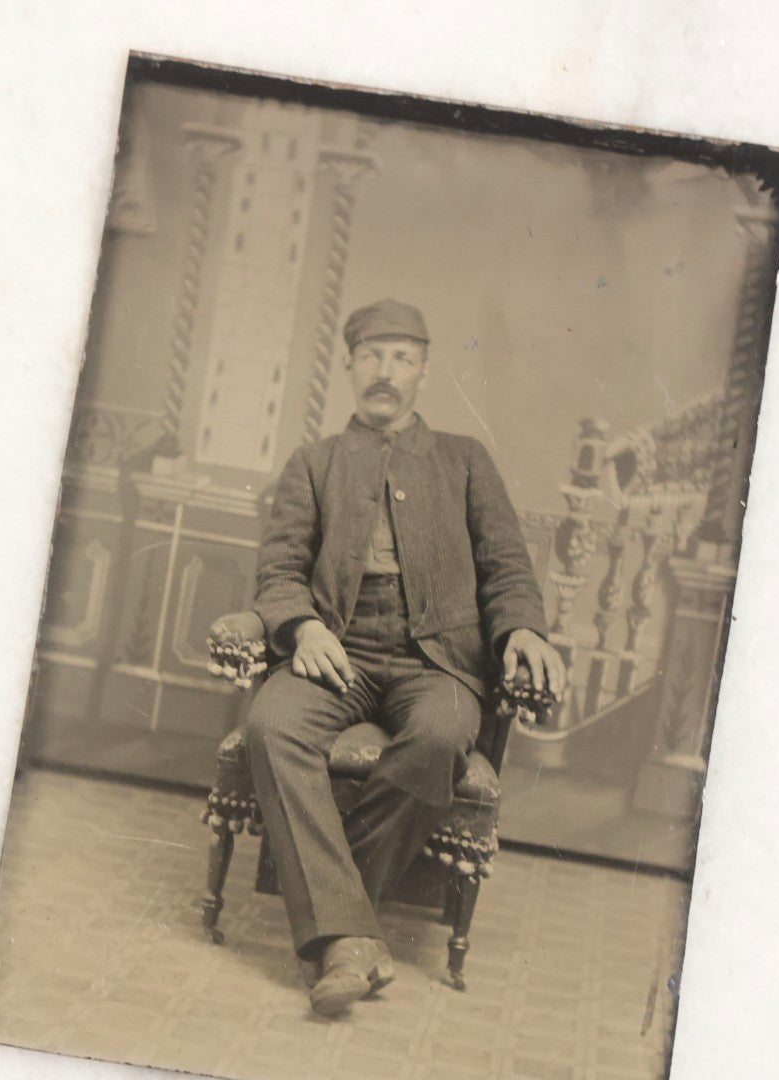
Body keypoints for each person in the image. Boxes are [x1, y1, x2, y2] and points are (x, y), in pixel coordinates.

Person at [246, 298, 565, 1016]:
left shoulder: (463, 459)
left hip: (437, 660)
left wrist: (521, 631)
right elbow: (278, 571)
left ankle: (340, 935)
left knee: (443, 735)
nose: (383, 372)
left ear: (422, 370)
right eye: (370, 356)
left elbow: (507, 564)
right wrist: (300, 628)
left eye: (400, 357)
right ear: (350, 366)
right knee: (272, 726)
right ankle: (355, 939)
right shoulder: (314, 463)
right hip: (338, 649)